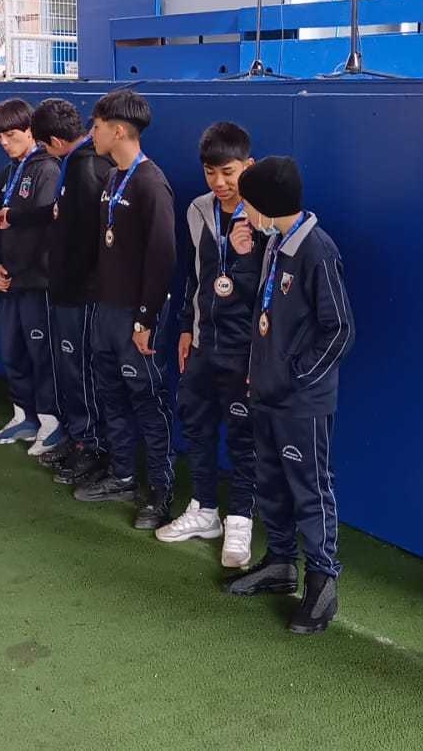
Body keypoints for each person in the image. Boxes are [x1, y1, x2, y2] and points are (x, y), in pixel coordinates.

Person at [225, 157, 355, 636]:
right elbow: (266, 316)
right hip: (265, 393)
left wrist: (297, 377)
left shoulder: (317, 251)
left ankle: (322, 583)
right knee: (271, 483)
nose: (243, 212)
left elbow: (340, 330)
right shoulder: (274, 243)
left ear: (266, 206)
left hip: (302, 402)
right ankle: (280, 563)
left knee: (310, 488)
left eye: (247, 203)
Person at [157, 123, 265, 568]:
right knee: (197, 426)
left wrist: (243, 254)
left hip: (245, 352)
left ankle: (240, 520)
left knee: (242, 438)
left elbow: (270, 291)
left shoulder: (265, 218)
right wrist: (186, 326)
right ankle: (204, 510)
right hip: (203, 344)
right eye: (210, 172)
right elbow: (195, 275)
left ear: (248, 166)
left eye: (228, 172)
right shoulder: (198, 209)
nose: (218, 182)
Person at [73, 89, 178, 531]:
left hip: (137, 318)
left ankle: (160, 492)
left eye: (96, 127)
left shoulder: (151, 183)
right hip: (106, 311)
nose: (90, 134)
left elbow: (163, 257)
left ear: (118, 130)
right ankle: (122, 475)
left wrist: (145, 320)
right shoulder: (112, 178)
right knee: (110, 395)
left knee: (148, 402)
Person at [28, 100, 113, 486]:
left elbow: (91, 240)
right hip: (67, 289)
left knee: (81, 370)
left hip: (81, 294)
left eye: (44, 145)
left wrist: (73, 280)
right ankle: (80, 437)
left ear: (56, 141)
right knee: (70, 369)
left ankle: (93, 446)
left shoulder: (89, 168)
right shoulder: (76, 164)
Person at [0, 99, 63, 452]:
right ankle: (24, 416)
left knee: (41, 354)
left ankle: (51, 422)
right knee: (12, 350)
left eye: (11, 135)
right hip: (8, 283)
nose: (4, 142)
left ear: (31, 131)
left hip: (36, 284)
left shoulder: (48, 169)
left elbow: (48, 228)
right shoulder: (5, 175)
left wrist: (21, 272)